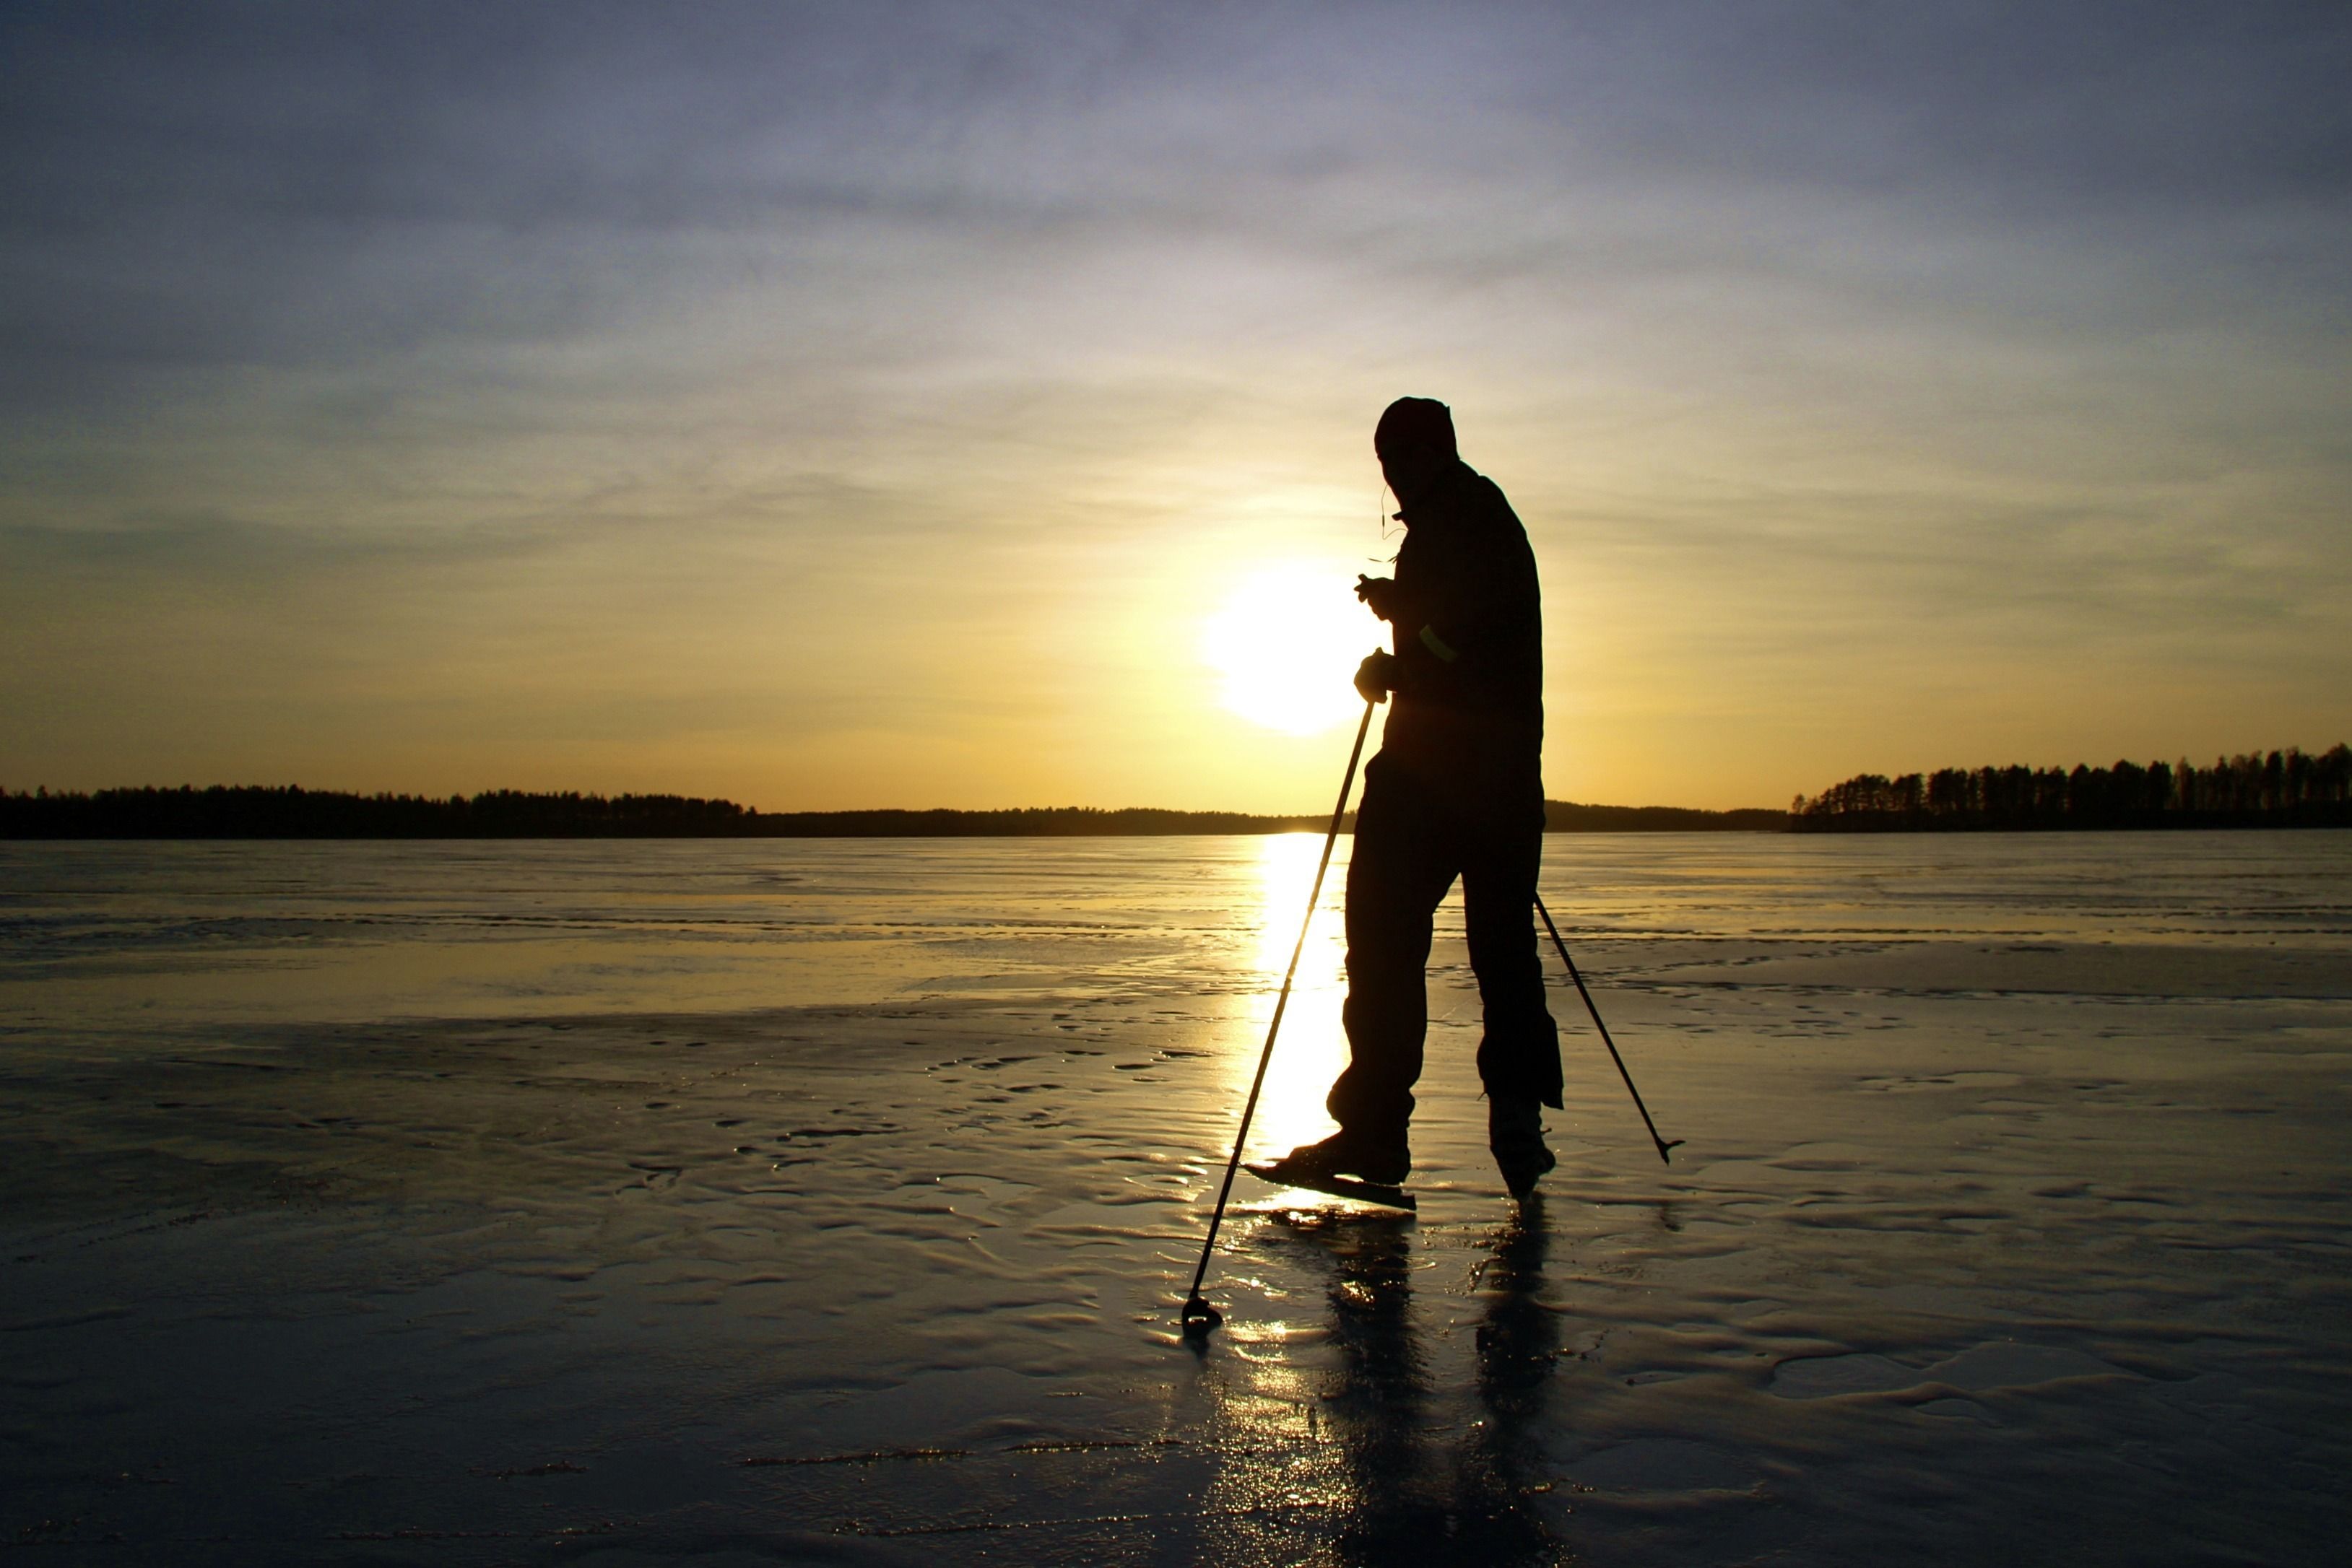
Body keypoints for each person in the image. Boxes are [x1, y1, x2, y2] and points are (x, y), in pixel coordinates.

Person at [1270, 396, 1563, 1199]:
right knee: (1466, 948)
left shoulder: (1470, 520)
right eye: (1384, 461)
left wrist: (1398, 662)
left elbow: (1467, 640)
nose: (1392, 475)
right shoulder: (1455, 522)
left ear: (1437, 453)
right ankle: (1490, 1124)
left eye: (1402, 457)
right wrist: (1403, 615)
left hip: (1449, 777)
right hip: (1482, 774)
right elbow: (1454, 627)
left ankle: (1457, 1125)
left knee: (1408, 939)